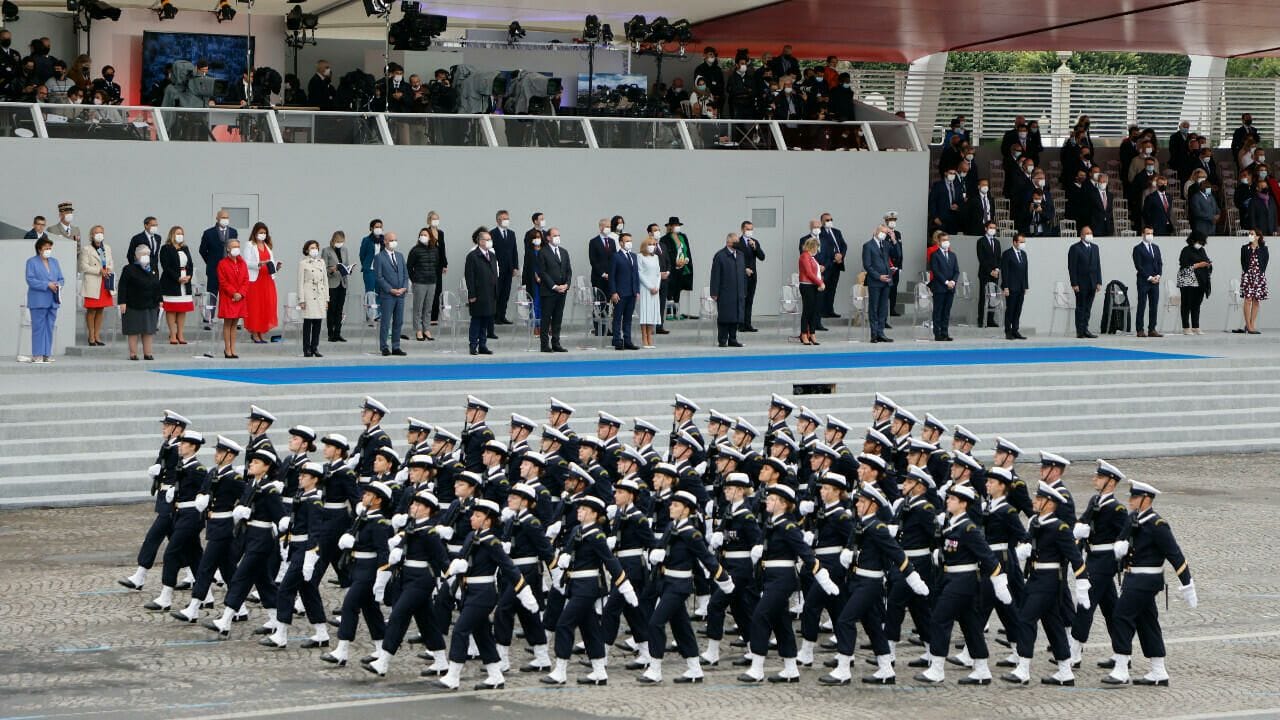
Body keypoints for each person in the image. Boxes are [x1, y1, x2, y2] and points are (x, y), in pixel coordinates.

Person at [1101, 480, 1197, 687]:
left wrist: (1187, 583)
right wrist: (1120, 547)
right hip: (1133, 578)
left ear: (1147, 499)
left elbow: (1175, 555)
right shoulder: (1133, 519)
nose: (1130, 501)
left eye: (1135, 497)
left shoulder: (1157, 524)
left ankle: (1121, 667)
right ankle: (1158, 670)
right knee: (1147, 621)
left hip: (1146, 580)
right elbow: (1123, 540)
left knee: (1120, 615)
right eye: (1131, 497)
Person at [25, 237, 64, 363]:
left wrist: (58, 284)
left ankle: (47, 354)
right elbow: (30, 280)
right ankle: (37, 354)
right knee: (38, 327)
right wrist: (47, 284)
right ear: (39, 249)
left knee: (49, 327)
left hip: (52, 300)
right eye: (46, 248)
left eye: (50, 248)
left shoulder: (54, 262)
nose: (48, 250)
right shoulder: (31, 262)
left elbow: (61, 278)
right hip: (38, 300)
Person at [157, 226, 194, 345]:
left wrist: (189, 276)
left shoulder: (185, 248)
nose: (180, 236)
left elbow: (190, 264)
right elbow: (166, 266)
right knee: (172, 309)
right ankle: (172, 334)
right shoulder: (166, 248)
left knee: (182, 309)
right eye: (178, 233)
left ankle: (180, 333)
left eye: (182, 233)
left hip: (185, 282)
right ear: (172, 234)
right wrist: (177, 278)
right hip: (171, 282)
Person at [78, 225, 114, 347]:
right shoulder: (86, 249)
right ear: (92, 235)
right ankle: (91, 336)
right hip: (93, 282)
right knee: (92, 309)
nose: (99, 235)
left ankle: (97, 335)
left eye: (101, 232)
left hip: (105, 282)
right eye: (96, 233)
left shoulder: (107, 248)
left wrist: (108, 269)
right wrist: (99, 270)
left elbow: (111, 262)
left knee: (100, 309)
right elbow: (83, 266)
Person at [709, 232, 747, 348]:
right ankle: (722, 339)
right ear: (729, 242)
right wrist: (714, 292)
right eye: (735, 241)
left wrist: (744, 289)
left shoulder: (740, 255)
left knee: (736, 316)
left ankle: (733, 339)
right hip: (725, 291)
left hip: (738, 291)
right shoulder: (720, 256)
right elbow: (715, 275)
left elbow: (743, 273)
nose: (737, 244)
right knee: (725, 317)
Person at [465, 227, 498, 356]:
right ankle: (473, 344)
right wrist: (472, 294)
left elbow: (494, 273)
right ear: (480, 241)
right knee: (477, 320)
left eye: (490, 239)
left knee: (486, 320)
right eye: (487, 239)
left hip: (490, 293)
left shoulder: (492, 255)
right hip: (479, 294)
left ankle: (483, 345)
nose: (490, 241)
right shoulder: (473, 256)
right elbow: (470, 276)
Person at [374, 231, 408, 357]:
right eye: (391, 240)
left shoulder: (400, 256)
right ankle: (384, 347)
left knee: (398, 321)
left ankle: (396, 346)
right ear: (385, 241)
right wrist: (390, 289)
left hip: (401, 294)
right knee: (386, 322)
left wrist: (404, 287)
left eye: (395, 239)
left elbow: (405, 274)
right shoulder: (379, 257)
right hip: (388, 295)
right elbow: (379, 277)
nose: (394, 242)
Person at [243, 222, 278, 343]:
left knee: (266, 305)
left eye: (264, 233)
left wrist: (276, 267)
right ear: (255, 233)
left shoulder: (267, 245)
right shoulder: (250, 245)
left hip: (267, 279)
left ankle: (261, 332)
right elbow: (245, 263)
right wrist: (259, 264)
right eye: (260, 232)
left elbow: (271, 262)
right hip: (255, 280)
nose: (262, 235)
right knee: (255, 306)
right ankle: (254, 332)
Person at [1068, 228, 1103, 338]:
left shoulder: (1095, 248)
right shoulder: (1075, 248)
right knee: (1080, 307)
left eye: (1091, 233)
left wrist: (1099, 281)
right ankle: (1080, 330)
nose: (1089, 235)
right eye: (1087, 233)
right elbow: (1072, 267)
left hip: (1092, 282)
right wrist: (1074, 283)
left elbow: (1098, 266)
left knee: (1088, 308)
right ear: (1082, 235)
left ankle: (1085, 328)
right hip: (1081, 283)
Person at [608, 232, 640, 350]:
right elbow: (612, 276)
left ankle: (628, 340)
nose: (629, 243)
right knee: (617, 317)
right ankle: (617, 340)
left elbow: (635, 275)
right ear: (621, 243)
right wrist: (613, 292)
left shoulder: (634, 256)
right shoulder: (616, 256)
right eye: (627, 241)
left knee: (628, 318)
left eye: (630, 241)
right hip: (620, 293)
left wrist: (637, 291)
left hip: (631, 292)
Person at [407, 225, 440, 342]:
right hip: (419, 282)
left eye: (425, 235)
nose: (422, 236)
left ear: (430, 237)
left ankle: (426, 329)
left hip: (431, 282)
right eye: (421, 235)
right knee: (418, 308)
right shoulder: (415, 250)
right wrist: (414, 279)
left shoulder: (435, 250)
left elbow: (436, 265)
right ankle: (418, 330)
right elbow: (409, 267)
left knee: (428, 308)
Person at [217, 238, 249, 358]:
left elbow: (246, 280)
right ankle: (227, 348)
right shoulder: (222, 263)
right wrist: (233, 293)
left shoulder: (242, 263)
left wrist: (240, 293)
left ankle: (233, 348)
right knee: (228, 323)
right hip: (228, 297)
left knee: (235, 324)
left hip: (240, 298)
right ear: (228, 249)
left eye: (238, 247)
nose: (236, 249)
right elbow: (223, 281)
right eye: (234, 247)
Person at [1177, 230, 1212, 335]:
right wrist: (1198, 265)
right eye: (1199, 242)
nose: (1200, 244)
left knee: (1197, 304)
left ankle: (1196, 326)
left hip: (1200, 281)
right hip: (1187, 281)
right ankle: (1186, 327)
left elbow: (1206, 261)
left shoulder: (1202, 250)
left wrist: (1208, 265)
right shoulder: (1186, 250)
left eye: (1202, 242)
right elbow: (1183, 265)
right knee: (1186, 304)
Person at [863, 225, 893, 343]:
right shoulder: (868, 246)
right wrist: (878, 276)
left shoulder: (886, 244)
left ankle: (881, 332)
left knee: (883, 308)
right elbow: (867, 265)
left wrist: (894, 240)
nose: (883, 234)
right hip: (875, 281)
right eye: (882, 232)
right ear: (875, 231)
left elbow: (897, 254)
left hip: (887, 281)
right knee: (874, 307)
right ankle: (874, 333)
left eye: (886, 233)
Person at [1132, 230, 1164, 338]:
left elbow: (1160, 263)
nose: (1150, 235)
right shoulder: (1138, 248)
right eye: (1148, 233)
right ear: (1143, 235)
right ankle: (1140, 329)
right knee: (1142, 304)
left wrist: (1158, 275)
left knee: (1154, 305)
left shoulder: (1156, 247)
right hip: (1143, 281)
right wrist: (1149, 277)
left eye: (1151, 233)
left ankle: (1152, 329)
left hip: (1155, 281)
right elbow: (1138, 266)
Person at [298, 240, 328, 357]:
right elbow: (300, 282)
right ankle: (306, 349)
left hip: (320, 295)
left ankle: (315, 347)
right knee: (308, 323)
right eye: (311, 248)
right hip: (309, 295)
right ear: (307, 250)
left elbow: (325, 281)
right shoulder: (303, 263)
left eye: (316, 247)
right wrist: (302, 299)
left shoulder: (322, 262)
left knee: (318, 323)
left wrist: (326, 299)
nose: (314, 250)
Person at [587, 218, 616, 337]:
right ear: (600, 227)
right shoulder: (594, 242)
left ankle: (607, 328)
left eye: (610, 226)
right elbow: (593, 261)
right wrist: (603, 273)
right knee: (599, 303)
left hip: (611, 278)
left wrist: (612, 274)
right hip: (599, 278)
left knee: (609, 304)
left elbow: (614, 259)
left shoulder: (612, 242)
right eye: (606, 226)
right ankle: (599, 329)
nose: (608, 228)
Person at [928, 231, 959, 341]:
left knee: (946, 311)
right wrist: (946, 282)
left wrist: (953, 282)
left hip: (951, 288)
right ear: (939, 242)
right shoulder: (935, 255)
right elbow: (936, 271)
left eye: (947, 240)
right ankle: (938, 333)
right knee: (938, 311)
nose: (946, 242)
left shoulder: (952, 255)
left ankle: (945, 332)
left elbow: (956, 271)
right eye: (944, 240)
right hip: (940, 287)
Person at [661, 218, 693, 318]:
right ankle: (669, 313)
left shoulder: (683, 237)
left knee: (678, 290)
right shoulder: (665, 239)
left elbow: (687, 251)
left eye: (678, 225)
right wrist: (675, 262)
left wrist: (685, 261)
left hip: (683, 268)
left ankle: (676, 312)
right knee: (670, 290)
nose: (677, 227)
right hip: (672, 268)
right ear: (670, 226)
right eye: (675, 225)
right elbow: (666, 254)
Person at [491, 210, 519, 325]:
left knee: (506, 293)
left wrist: (515, 267)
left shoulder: (511, 233)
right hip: (497, 269)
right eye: (504, 218)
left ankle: (502, 315)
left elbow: (514, 251)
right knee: (497, 292)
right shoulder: (492, 233)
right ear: (498, 220)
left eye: (507, 218)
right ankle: (495, 316)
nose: (506, 221)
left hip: (509, 268)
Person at [817, 212, 847, 319]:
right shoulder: (819, 233)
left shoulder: (837, 232)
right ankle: (821, 311)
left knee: (832, 289)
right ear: (822, 221)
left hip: (837, 265)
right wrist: (834, 256)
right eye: (827, 220)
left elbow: (843, 245)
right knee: (823, 288)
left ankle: (830, 310)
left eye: (831, 219)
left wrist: (841, 256)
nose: (829, 222)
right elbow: (823, 249)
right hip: (826, 265)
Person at [199, 209, 235, 298]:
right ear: (217, 218)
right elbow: (202, 250)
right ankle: (210, 312)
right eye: (223, 217)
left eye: (227, 217)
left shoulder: (233, 232)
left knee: (229, 295)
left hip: (229, 270)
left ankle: (226, 312)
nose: (225, 219)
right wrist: (210, 261)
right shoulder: (208, 233)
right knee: (212, 297)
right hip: (213, 270)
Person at [999, 233, 1029, 340]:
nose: (1022, 244)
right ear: (1015, 242)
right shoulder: (1007, 254)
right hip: (1011, 287)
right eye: (1021, 242)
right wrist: (1005, 287)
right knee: (1010, 309)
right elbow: (1005, 272)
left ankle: (1015, 330)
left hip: (1021, 287)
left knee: (1018, 309)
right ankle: (1008, 331)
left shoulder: (1024, 254)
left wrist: (1025, 286)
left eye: (1023, 242)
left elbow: (1025, 271)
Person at [1238, 231, 1269, 334]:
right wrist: (1248, 273)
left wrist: (1259, 274)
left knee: (1256, 301)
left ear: (1258, 236)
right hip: (1248, 276)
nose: (1250, 236)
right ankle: (1248, 325)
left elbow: (1265, 263)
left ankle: (1251, 324)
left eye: (1252, 234)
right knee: (1248, 300)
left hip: (1259, 277)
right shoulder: (1244, 248)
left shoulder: (1264, 249)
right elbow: (1243, 262)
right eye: (1249, 234)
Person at [739, 220, 766, 332]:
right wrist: (744, 269)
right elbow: (735, 259)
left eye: (751, 229)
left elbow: (762, 257)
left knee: (750, 300)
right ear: (742, 230)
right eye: (747, 229)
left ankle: (748, 324)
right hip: (741, 276)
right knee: (741, 300)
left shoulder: (755, 242)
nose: (749, 231)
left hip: (752, 277)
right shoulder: (737, 242)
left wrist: (755, 247)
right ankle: (740, 324)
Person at [322, 231, 349, 342]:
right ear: (333, 240)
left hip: (342, 283)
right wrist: (332, 270)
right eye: (338, 241)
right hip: (332, 283)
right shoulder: (326, 250)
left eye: (342, 241)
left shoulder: (345, 250)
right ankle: (331, 334)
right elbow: (323, 268)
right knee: (331, 309)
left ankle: (338, 332)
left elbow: (346, 264)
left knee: (339, 309)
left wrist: (348, 269)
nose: (340, 243)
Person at [637, 234, 662, 348]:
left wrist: (656, 286)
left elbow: (658, 274)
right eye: (650, 244)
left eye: (653, 244)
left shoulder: (656, 257)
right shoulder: (640, 256)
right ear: (644, 246)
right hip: (645, 288)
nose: (652, 246)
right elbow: (640, 273)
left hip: (655, 289)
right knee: (645, 312)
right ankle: (644, 337)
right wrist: (649, 286)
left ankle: (650, 336)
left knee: (652, 312)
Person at [798, 237, 824, 345]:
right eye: (817, 247)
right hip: (807, 286)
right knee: (807, 310)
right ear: (813, 246)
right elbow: (809, 273)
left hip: (813, 286)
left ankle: (812, 333)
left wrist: (820, 281)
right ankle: (804, 333)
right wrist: (820, 282)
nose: (817, 250)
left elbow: (815, 272)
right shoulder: (804, 256)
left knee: (814, 311)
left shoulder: (812, 258)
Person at [976, 222, 1002, 328]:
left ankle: (990, 320)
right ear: (986, 228)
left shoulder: (997, 242)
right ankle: (981, 320)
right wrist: (990, 271)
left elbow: (999, 258)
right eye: (991, 228)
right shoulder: (981, 241)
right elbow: (981, 258)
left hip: (995, 274)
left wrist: (997, 270)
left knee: (993, 296)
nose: (993, 230)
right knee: (984, 296)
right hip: (985, 273)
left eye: (994, 228)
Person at [360, 219, 384, 310]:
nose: (379, 228)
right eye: (376, 227)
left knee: (380, 292)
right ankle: (370, 315)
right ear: (371, 228)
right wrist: (366, 265)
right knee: (370, 292)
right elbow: (362, 255)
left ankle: (378, 314)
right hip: (369, 270)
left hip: (380, 271)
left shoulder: (384, 240)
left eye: (380, 227)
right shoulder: (366, 240)